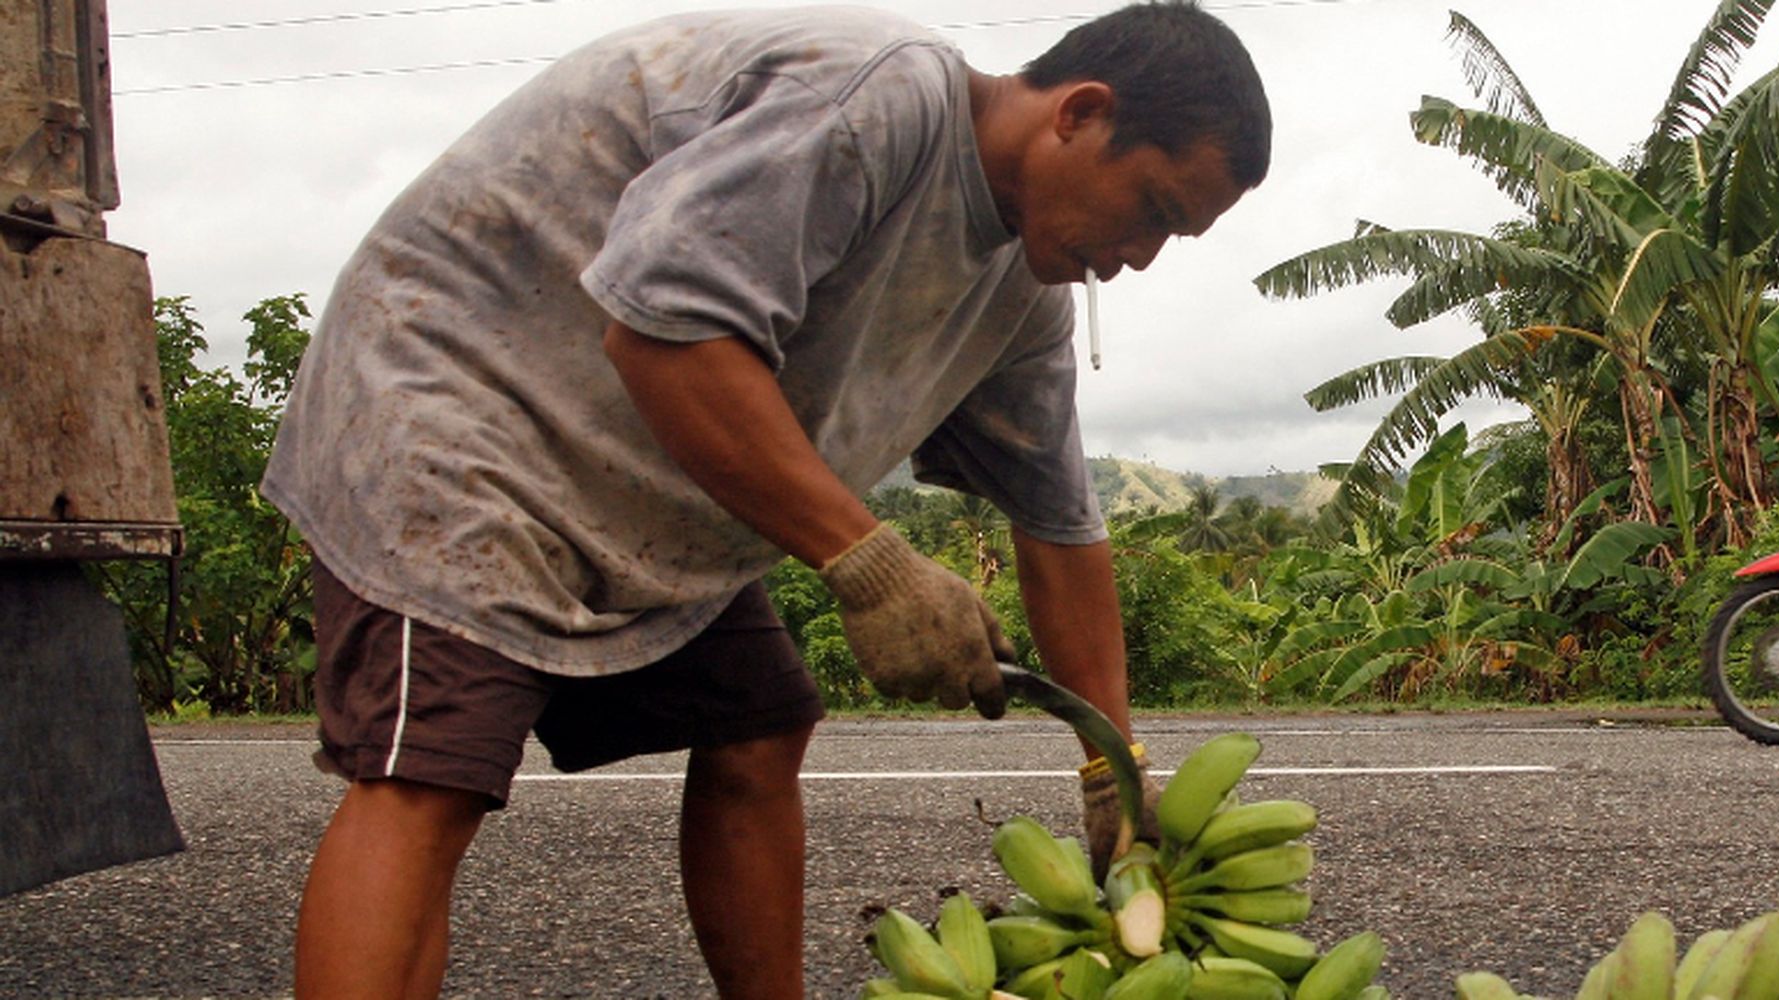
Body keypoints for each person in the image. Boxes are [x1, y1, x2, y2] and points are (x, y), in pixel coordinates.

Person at [257, 3, 1270, 997]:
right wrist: (871, 564)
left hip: (645, 464)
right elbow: (666, 335)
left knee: (758, 724)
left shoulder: (1024, 297)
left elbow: (1058, 527)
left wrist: (1111, 758)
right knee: (430, 776)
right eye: (1153, 210)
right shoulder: (876, 100)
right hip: (463, 406)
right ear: (1077, 112)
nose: (1141, 257)